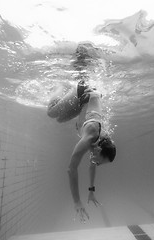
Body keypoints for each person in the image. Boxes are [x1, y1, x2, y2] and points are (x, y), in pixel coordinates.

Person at [47, 79, 116, 223]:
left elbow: (92, 165)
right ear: (99, 149)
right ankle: (60, 86)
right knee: (52, 112)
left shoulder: (98, 146)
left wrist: (91, 191)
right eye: (99, 161)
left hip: (86, 101)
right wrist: (77, 201)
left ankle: (68, 94)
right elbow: (71, 169)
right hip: (83, 92)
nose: (97, 163)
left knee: (60, 120)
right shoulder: (91, 135)